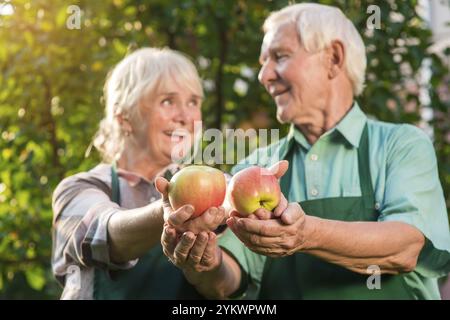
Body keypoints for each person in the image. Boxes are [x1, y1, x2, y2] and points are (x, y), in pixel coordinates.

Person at [161, 3, 450, 299]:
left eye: (280, 57)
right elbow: (225, 282)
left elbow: (405, 247)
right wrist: (202, 263)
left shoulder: (400, 145)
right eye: (263, 62)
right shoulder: (257, 166)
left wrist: (304, 234)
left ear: (334, 59)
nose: (264, 76)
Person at [51, 47, 226, 299]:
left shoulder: (218, 188)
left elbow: (228, 283)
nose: (186, 117)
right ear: (124, 117)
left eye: (193, 102)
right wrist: (167, 214)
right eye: (168, 101)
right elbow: (104, 234)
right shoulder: (80, 189)